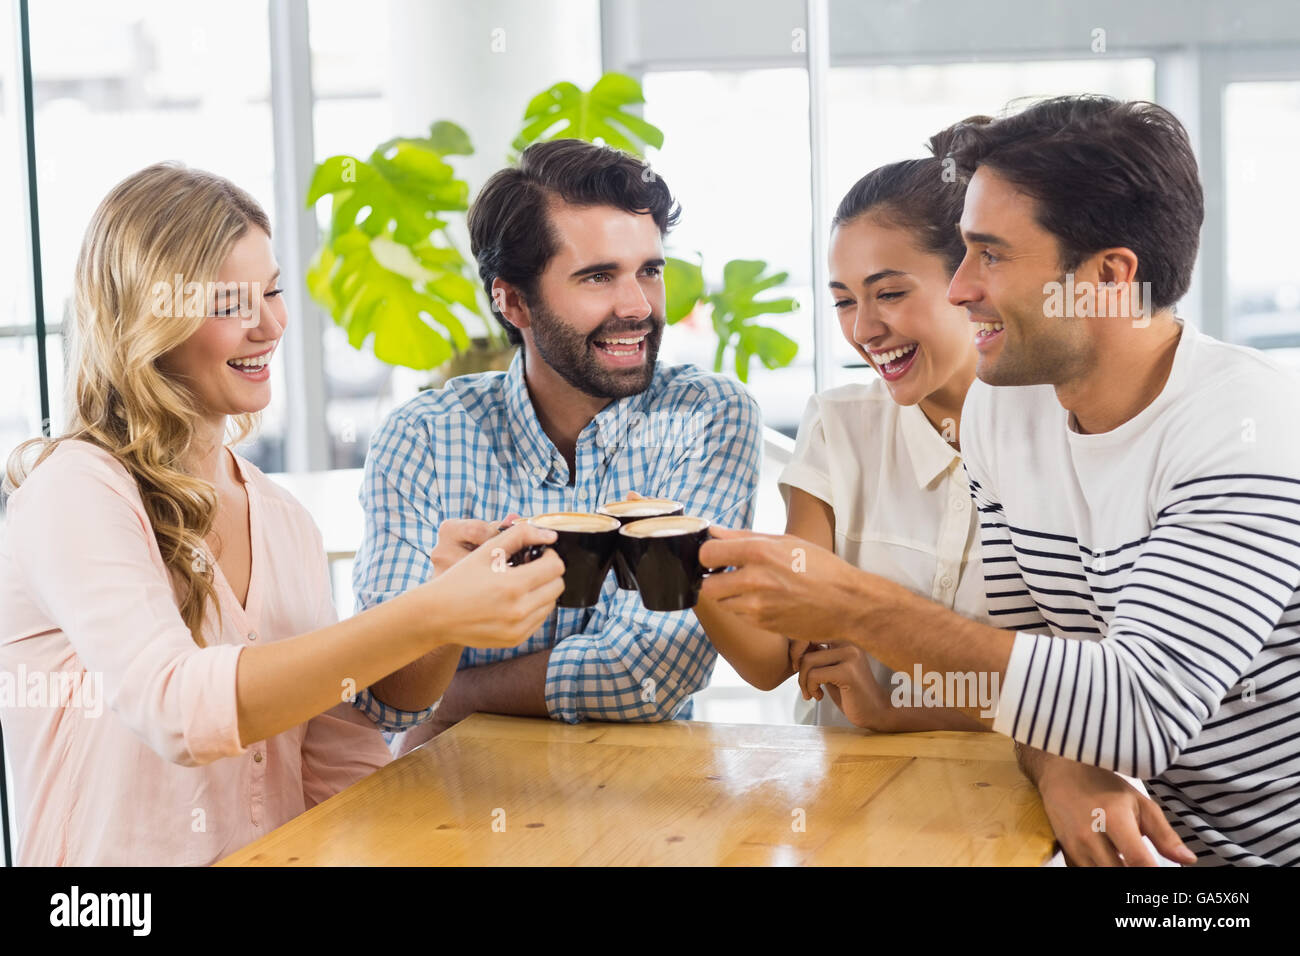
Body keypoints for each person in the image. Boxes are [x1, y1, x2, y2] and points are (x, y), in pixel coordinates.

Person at [697, 95, 1300, 867]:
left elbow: (1141, 711)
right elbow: (1023, 671)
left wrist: (851, 602)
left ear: (1108, 277)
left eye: (990, 254)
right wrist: (1058, 766)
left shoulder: (1246, 428)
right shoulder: (1004, 415)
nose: (959, 288)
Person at [0, 163, 564, 866]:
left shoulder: (283, 520)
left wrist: (440, 614)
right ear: (151, 315)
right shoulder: (75, 492)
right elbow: (174, 708)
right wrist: (432, 613)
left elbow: (337, 765)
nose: (271, 324)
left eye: (272, 291)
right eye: (233, 301)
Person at [348, 139, 762, 749]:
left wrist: (451, 696)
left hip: (652, 811)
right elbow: (384, 696)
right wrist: (437, 622)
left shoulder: (708, 417)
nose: (638, 306)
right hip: (447, 812)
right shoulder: (424, 438)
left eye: (649, 270)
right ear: (512, 300)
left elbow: (646, 672)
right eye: (598, 277)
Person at [693, 138, 990, 733]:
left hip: (1009, 803)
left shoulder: (1060, 436)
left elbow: (1070, 689)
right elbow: (778, 656)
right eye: (843, 302)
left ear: (970, 278)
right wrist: (682, 558)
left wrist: (889, 713)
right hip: (845, 800)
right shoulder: (838, 425)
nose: (864, 329)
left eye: (889, 294)